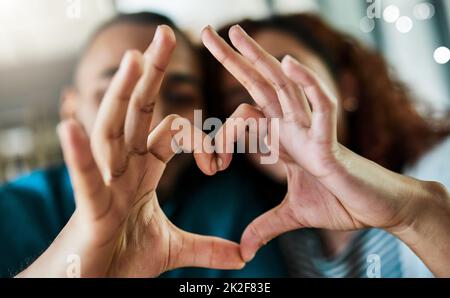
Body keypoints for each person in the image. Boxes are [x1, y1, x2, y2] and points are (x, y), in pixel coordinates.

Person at [1, 13, 286, 277]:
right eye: (120, 93)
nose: (156, 123)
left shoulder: (235, 202)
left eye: (181, 96)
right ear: (71, 109)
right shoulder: (11, 211)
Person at [202, 14, 450, 277]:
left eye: (283, 84)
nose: (267, 109)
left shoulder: (441, 166)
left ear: (346, 88)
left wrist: (414, 214)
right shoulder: (279, 238)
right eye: (237, 101)